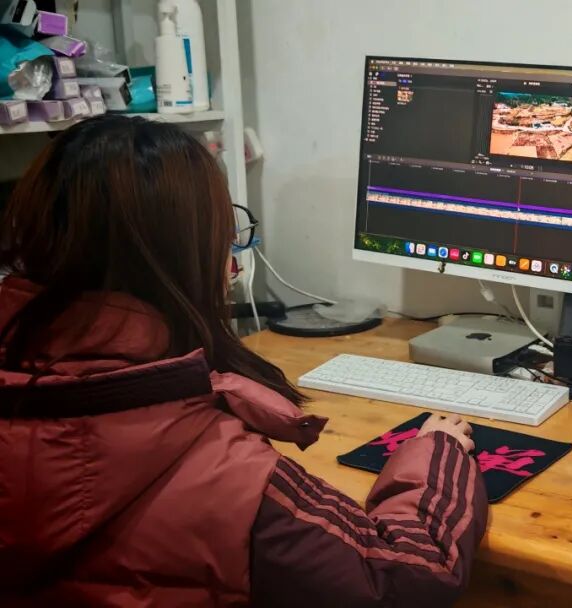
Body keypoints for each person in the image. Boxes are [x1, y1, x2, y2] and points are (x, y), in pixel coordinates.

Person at [0, 116, 488, 607]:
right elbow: (407, 579)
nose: (231, 261)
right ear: (188, 255)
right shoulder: (222, 477)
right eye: (223, 234)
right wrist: (437, 454)